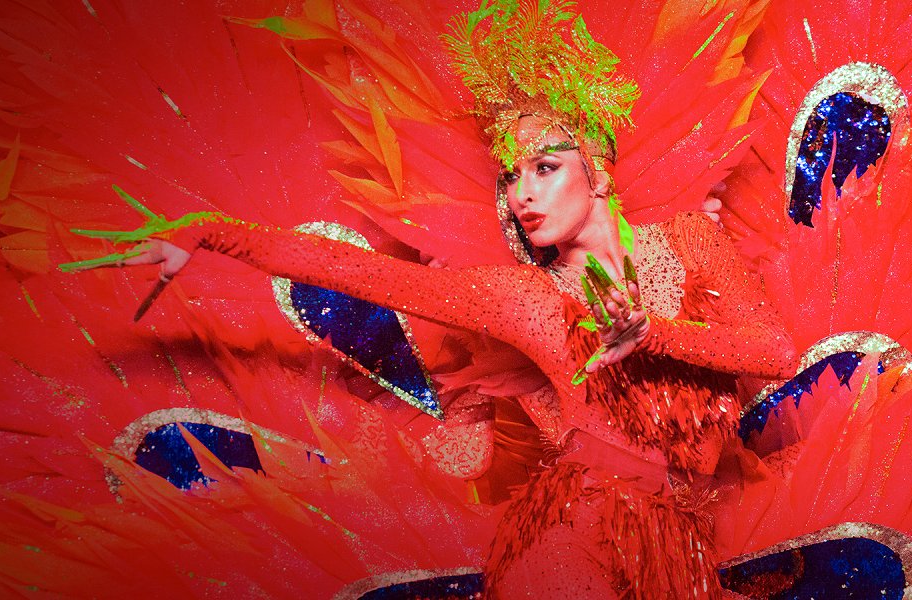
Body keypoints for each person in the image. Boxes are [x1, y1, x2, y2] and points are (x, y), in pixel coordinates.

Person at [61, 3, 795, 596]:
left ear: (598, 173)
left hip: (679, 550)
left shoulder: (691, 242)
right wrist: (211, 234)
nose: (524, 194)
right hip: (578, 535)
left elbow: (773, 352)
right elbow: (365, 276)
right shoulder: (528, 299)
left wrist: (655, 335)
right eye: (511, 177)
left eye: (544, 168)